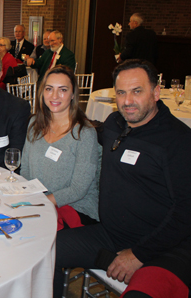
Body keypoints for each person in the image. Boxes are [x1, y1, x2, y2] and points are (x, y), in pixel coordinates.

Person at [53, 59, 191, 298]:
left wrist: (138, 254)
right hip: (110, 235)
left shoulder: (178, 141)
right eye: (121, 93)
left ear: (156, 92)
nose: (128, 101)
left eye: (137, 91)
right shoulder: (115, 124)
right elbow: (90, 133)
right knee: (42, 251)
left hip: (166, 249)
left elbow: (186, 211)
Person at [21, 65, 100, 225]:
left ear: (72, 95)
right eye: (49, 89)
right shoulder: (34, 124)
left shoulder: (84, 133)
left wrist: (41, 202)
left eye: (63, 90)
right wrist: (29, 199)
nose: (54, 96)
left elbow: (78, 189)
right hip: (39, 203)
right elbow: (25, 170)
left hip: (76, 209)